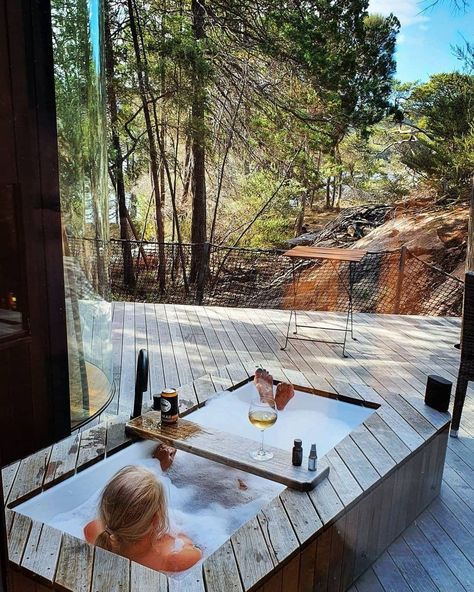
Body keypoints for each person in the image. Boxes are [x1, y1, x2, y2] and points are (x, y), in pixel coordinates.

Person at [84, 465, 202, 572]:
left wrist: (159, 464)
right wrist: (178, 535)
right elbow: (197, 552)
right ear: (156, 519)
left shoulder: (93, 531)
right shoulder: (172, 559)